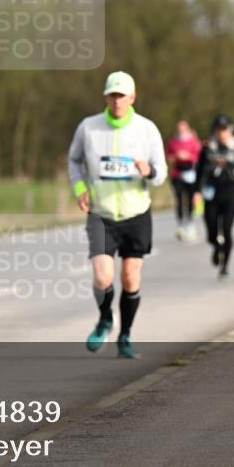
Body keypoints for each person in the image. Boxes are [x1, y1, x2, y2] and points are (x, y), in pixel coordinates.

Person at [68, 71, 167, 360]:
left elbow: (161, 172)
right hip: (101, 214)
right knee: (102, 276)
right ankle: (105, 319)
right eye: (112, 95)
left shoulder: (146, 129)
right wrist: (80, 188)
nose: (116, 101)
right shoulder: (89, 127)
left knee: (130, 277)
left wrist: (149, 170)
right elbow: (74, 160)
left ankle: (125, 335)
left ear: (132, 97)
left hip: (136, 213)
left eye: (121, 95)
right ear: (106, 97)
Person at [196, 114, 234, 280]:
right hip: (211, 194)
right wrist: (196, 191)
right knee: (211, 232)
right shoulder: (208, 148)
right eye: (219, 130)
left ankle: (224, 266)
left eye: (225, 129)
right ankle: (217, 247)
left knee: (226, 230)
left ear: (231, 130)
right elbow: (199, 170)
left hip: (230, 194)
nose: (222, 133)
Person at [165, 120, 202, 241]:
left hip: (191, 173)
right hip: (177, 173)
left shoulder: (193, 141)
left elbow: (199, 157)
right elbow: (169, 156)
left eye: (183, 128)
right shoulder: (173, 141)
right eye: (179, 128)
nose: (181, 130)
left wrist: (188, 156)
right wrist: (175, 157)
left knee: (190, 199)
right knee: (179, 199)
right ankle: (180, 225)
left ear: (187, 128)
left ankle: (190, 224)